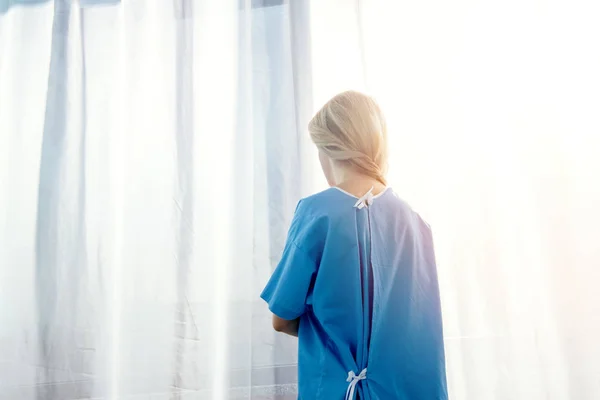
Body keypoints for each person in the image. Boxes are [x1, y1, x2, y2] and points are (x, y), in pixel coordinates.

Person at [260, 91, 448, 400]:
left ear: (329, 149)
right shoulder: (415, 223)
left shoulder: (317, 214)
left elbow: (281, 318)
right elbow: (422, 330)